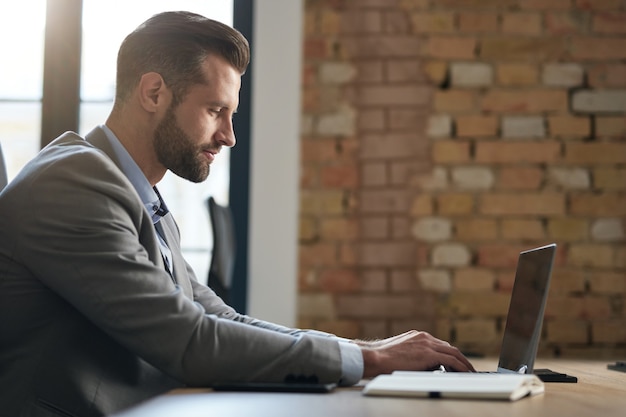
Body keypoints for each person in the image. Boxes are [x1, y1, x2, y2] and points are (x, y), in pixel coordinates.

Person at [0, 11, 474, 417]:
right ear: (153, 93)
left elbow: (219, 317)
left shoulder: (134, 191)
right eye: (214, 110)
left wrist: (369, 351)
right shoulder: (75, 185)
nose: (229, 137)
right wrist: (370, 361)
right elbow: (189, 341)